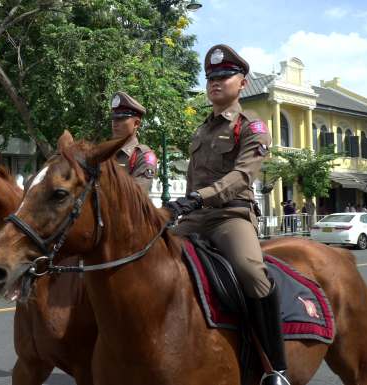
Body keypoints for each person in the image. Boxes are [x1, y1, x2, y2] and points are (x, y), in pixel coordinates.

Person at [165, 45, 289, 384]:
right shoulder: (201, 129)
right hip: (193, 217)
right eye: (210, 77)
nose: (215, 82)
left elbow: (241, 178)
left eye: (224, 75)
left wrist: (196, 199)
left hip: (230, 216)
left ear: (243, 82)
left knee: (251, 272)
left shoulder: (253, 127)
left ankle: (276, 368)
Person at [110, 91, 157, 195]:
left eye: (121, 118)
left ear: (136, 123)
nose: (115, 123)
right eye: (114, 118)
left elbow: (136, 195)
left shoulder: (144, 156)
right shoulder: (107, 153)